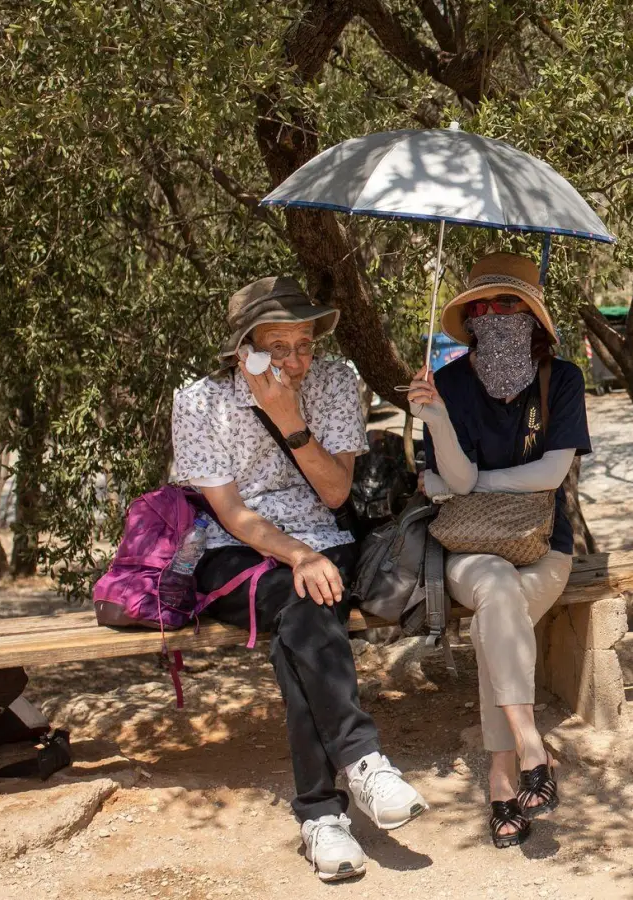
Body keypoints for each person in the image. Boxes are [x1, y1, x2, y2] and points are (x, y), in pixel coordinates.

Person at [172, 276, 427, 883]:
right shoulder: (198, 403)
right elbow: (231, 513)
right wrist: (296, 556)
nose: (293, 360)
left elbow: (336, 490)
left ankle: (321, 816)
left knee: (303, 618)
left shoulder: (336, 383)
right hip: (236, 551)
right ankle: (362, 760)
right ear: (244, 350)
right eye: (276, 346)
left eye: (303, 344)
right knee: (306, 597)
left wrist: (289, 419)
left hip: (326, 538)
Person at [406, 252, 592, 850]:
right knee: (496, 591)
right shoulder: (451, 383)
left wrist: (473, 480)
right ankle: (528, 745)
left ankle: (503, 774)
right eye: (481, 305)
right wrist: (435, 419)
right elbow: (452, 480)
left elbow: (552, 471)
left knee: (499, 611)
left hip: (544, 549)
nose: (493, 314)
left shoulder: (560, 379)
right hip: (470, 549)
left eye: (507, 302)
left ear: (532, 315)